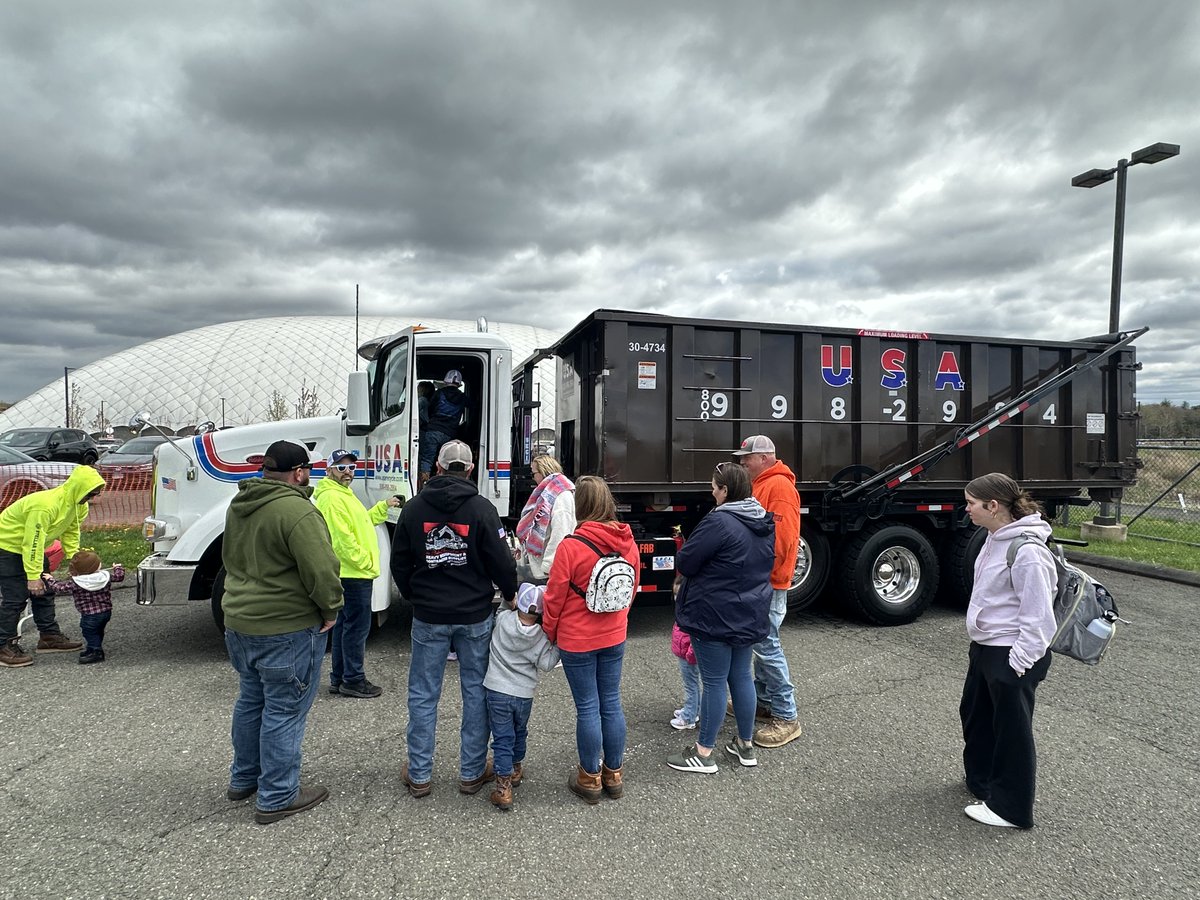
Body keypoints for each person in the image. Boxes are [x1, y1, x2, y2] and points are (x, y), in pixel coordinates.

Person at [222, 439, 344, 825]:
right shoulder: (297, 511)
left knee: (251, 700)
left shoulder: (239, 504)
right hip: (286, 627)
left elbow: (230, 558)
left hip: (240, 623)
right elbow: (322, 570)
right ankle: (277, 795)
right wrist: (331, 609)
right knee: (285, 710)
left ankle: (244, 778)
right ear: (299, 472)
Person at [390, 439, 518, 799]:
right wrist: (509, 594)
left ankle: (419, 775)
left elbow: (399, 562)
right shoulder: (482, 509)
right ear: (471, 469)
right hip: (474, 615)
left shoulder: (414, 509)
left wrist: (417, 597)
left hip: (429, 615)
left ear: (438, 468)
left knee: (423, 694)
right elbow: (502, 562)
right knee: (476, 692)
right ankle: (472, 773)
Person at [960, 472, 1058, 829]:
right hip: (987, 649)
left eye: (971, 503)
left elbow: (1039, 617)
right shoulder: (993, 537)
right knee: (977, 718)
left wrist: (1017, 664)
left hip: (1011, 655)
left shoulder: (1028, 552)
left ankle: (1011, 809)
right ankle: (983, 783)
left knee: (1012, 732)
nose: (966, 508)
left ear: (993, 505)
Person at [667, 463, 774, 774]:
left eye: (714, 486)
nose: (711, 491)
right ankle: (745, 745)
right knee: (741, 677)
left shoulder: (721, 522)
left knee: (714, 682)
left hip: (714, 612)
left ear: (726, 490)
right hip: (749, 611)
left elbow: (686, 561)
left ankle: (703, 753)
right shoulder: (762, 520)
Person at [542, 475, 640, 804]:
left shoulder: (571, 546)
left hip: (576, 640)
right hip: (614, 635)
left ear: (580, 505)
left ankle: (589, 777)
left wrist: (550, 631)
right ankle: (614, 773)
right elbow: (632, 588)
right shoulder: (628, 542)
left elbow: (554, 598)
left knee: (588, 707)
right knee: (610, 702)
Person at [313, 448, 401, 699]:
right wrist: (365, 562)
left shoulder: (343, 494)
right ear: (329, 469)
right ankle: (353, 679)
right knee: (356, 629)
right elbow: (341, 541)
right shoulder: (332, 498)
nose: (348, 472)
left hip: (353, 572)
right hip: (352, 573)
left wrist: (384, 506)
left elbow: (361, 521)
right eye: (341, 467)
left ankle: (340, 678)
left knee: (344, 626)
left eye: (352, 467)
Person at [733, 434, 803, 748]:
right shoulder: (766, 484)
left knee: (766, 644)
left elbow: (783, 540)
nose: (742, 463)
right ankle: (763, 703)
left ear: (763, 457)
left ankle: (787, 717)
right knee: (762, 641)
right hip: (764, 579)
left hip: (769, 581)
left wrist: (755, 570)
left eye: (746, 458)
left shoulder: (779, 488)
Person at [0, 465, 102, 667]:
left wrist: (77, 562)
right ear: (77, 488)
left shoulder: (78, 505)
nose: (90, 498)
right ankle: (3, 645)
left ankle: (49, 636)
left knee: (46, 590)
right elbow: (33, 542)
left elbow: (71, 532)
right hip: (7, 546)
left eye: (94, 495)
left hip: (31, 549)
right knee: (16, 598)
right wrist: (32, 576)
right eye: (89, 493)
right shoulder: (46, 506)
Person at [483, 582, 560, 811]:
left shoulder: (503, 620)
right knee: (519, 731)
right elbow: (547, 663)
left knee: (502, 738)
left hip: (497, 691)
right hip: (523, 694)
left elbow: (503, 608)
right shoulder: (539, 636)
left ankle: (503, 788)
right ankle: (515, 768)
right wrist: (557, 645)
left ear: (518, 604)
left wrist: (510, 599)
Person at [42, 550, 124, 664]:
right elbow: (119, 577)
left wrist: (50, 579)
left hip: (89, 615)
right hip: (106, 612)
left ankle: (96, 651)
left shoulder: (76, 583)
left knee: (89, 632)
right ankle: (93, 647)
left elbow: (59, 588)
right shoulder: (105, 577)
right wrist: (118, 568)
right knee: (98, 630)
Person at [515, 454, 576, 584]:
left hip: (549, 571)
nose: (533, 478)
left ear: (543, 471)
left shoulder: (561, 494)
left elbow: (561, 533)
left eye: (533, 474)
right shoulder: (548, 491)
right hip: (545, 569)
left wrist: (549, 565)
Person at [418, 370, 468, 487]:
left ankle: (424, 486)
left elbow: (429, 410)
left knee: (427, 460)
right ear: (459, 384)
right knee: (447, 461)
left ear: (446, 381)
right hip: (450, 435)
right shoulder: (462, 397)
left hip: (433, 432)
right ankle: (446, 485)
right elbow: (474, 407)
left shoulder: (438, 394)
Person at [669, 620, 700, 729]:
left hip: (687, 653)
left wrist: (691, 655)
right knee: (692, 684)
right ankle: (693, 710)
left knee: (690, 685)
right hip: (684, 650)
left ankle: (688, 717)